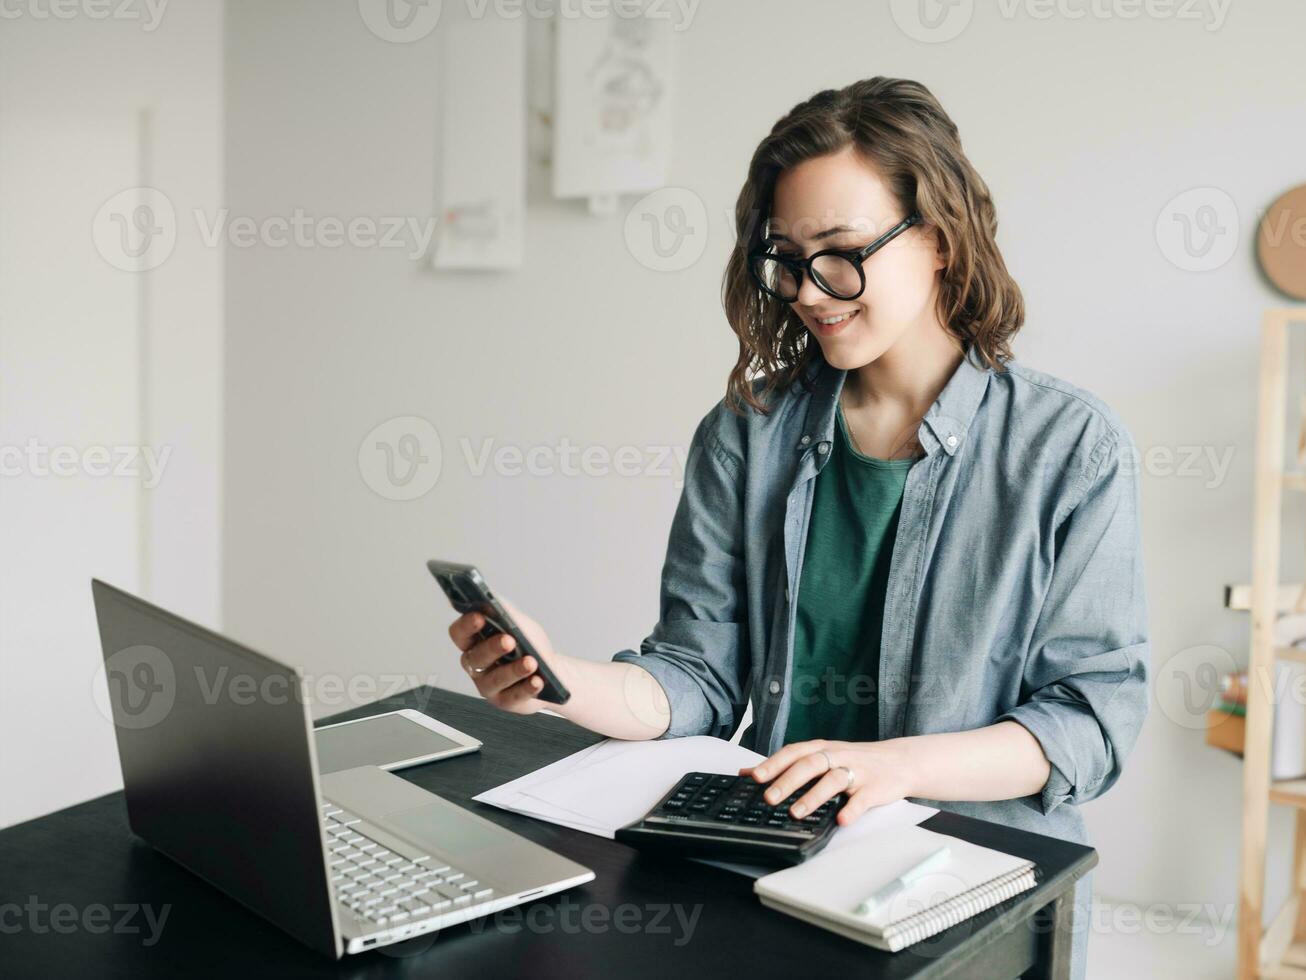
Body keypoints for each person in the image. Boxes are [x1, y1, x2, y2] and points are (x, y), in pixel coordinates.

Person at [448, 76, 1148, 976]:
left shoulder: (1071, 445)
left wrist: (893, 765)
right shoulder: (746, 431)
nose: (810, 292)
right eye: (786, 258)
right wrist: (559, 682)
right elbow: (699, 674)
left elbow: (1091, 721)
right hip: (777, 861)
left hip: (975, 873)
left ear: (939, 239)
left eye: (842, 252)